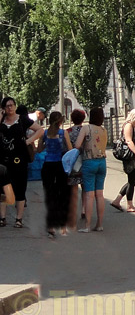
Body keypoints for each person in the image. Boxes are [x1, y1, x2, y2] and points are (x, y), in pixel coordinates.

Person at [0, 96, 43, 228]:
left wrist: (28, 141)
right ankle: (2, 218)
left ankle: (19, 219)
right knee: (3, 188)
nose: (10, 108)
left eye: (12, 105)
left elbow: (40, 130)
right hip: (3, 159)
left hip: (19, 158)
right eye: (7, 106)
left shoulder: (22, 119)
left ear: (15, 106)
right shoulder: (2, 119)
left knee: (19, 188)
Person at [74, 107, 108, 232]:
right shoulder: (104, 130)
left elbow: (77, 145)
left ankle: (87, 226)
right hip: (102, 162)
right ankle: (99, 224)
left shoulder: (86, 128)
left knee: (89, 195)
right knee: (100, 194)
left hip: (89, 162)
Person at [38, 111, 70, 238]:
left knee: (50, 195)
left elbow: (39, 149)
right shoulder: (63, 133)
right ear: (60, 121)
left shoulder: (45, 133)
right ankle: (62, 226)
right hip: (60, 165)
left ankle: (51, 225)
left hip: (48, 166)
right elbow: (70, 150)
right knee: (61, 194)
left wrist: (45, 144)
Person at [111, 108, 135, 213]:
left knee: (132, 181)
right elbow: (128, 141)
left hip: (133, 155)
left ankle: (117, 201)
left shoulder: (132, 125)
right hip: (130, 156)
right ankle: (129, 206)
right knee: (132, 181)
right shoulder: (128, 126)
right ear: (134, 117)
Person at [65, 109, 86, 232]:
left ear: (72, 119)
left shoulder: (68, 132)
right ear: (83, 119)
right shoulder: (86, 130)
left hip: (72, 162)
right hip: (85, 161)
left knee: (73, 188)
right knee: (85, 187)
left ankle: (73, 210)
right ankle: (84, 209)